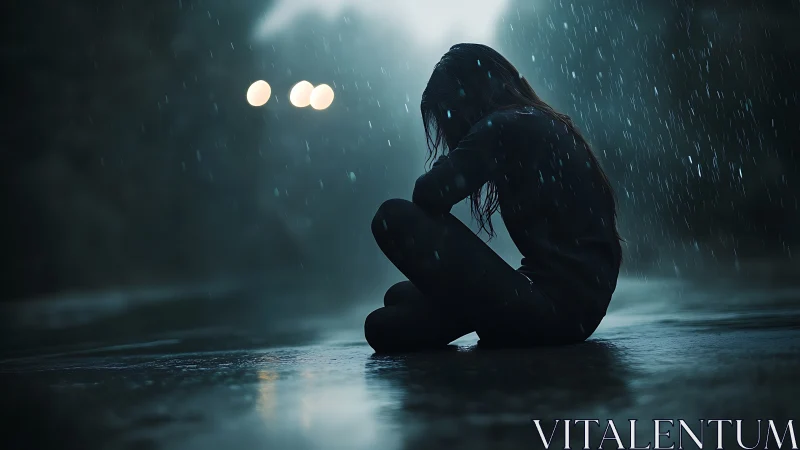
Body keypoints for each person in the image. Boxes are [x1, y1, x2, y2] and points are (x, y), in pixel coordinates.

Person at [364, 43, 623, 353]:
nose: (448, 128)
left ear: (467, 96)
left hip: (554, 311)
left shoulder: (503, 126)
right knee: (397, 300)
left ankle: (496, 318)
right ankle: (490, 314)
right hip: (573, 309)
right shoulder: (533, 119)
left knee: (392, 218)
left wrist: (444, 164)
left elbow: (429, 194)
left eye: (447, 113)